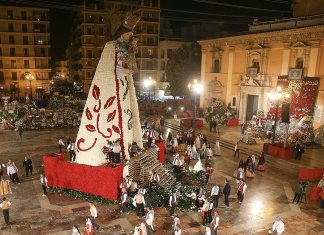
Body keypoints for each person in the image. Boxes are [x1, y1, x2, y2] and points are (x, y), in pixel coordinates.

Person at [74, 12, 143, 166]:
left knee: (125, 113)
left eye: (131, 34)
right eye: (128, 34)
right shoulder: (112, 47)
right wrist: (125, 71)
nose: (129, 37)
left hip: (124, 85)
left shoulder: (124, 47)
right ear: (122, 33)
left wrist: (130, 59)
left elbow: (126, 64)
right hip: (114, 87)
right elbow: (115, 68)